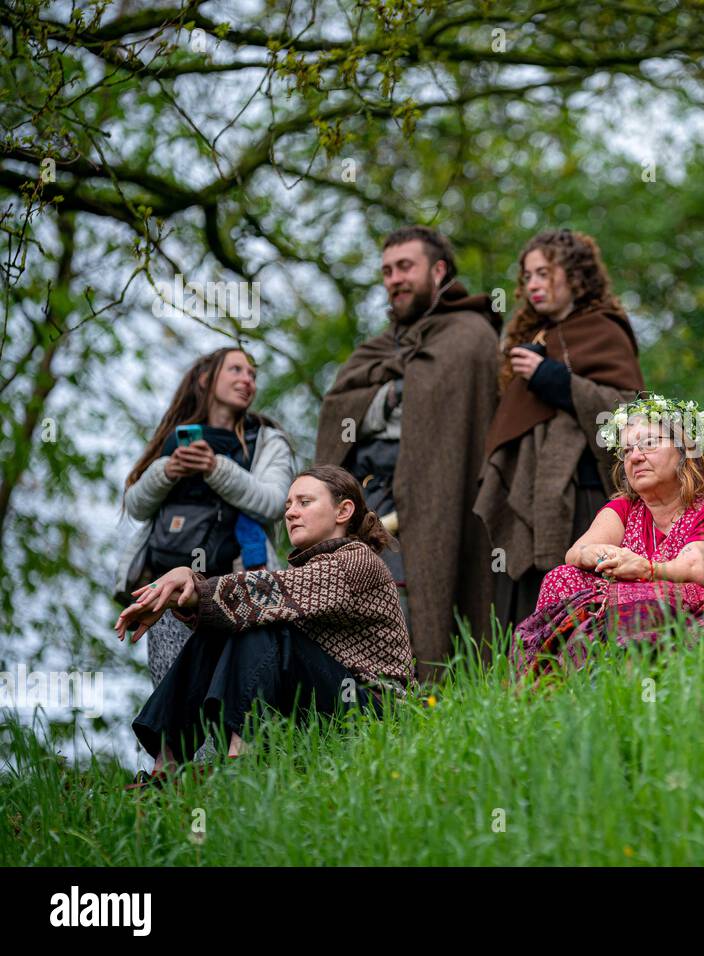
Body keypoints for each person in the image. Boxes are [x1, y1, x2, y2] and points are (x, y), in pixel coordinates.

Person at [119, 465, 414, 788]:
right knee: (230, 623)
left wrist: (189, 587)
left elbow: (270, 593)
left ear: (343, 511)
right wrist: (185, 592)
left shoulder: (359, 561)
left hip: (376, 715)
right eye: (287, 505)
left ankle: (241, 760)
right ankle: (166, 768)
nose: (290, 513)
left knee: (264, 617)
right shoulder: (314, 569)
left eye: (304, 502)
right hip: (330, 702)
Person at [314, 226, 500, 677]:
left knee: (413, 601)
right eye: (386, 271)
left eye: (405, 267)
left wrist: (403, 391)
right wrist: (389, 398)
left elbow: (461, 418)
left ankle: (421, 700)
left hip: (441, 495)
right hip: (368, 494)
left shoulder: (471, 334)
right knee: (348, 601)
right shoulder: (379, 346)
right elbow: (340, 402)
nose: (394, 279)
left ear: (438, 271)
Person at [511, 395, 704, 677]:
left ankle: (637, 681)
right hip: (628, 619)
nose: (635, 456)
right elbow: (577, 552)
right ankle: (568, 678)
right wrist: (606, 557)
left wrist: (644, 569)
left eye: (649, 444)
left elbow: (699, 568)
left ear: (685, 450)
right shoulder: (625, 509)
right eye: (627, 450)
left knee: (640, 593)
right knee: (562, 577)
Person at [475, 229, 644, 634]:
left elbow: (628, 412)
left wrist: (555, 379)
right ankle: (522, 684)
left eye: (544, 273)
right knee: (523, 609)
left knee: (576, 596)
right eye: (527, 276)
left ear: (576, 276)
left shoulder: (604, 330)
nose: (532, 285)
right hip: (527, 494)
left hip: (582, 493)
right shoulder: (529, 338)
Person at [114, 347, 295, 687]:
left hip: (240, 579)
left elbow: (273, 504)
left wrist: (214, 468)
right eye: (236, 370)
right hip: (167, 585)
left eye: (252, 375)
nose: (247, 380)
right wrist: (166, 471)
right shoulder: (174, 441)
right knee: (172, 690)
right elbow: (136, 508)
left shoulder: (268, 441)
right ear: (204, 379)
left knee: (238, 689)